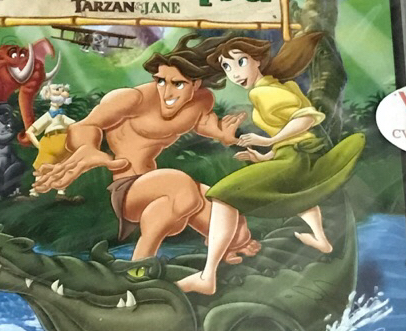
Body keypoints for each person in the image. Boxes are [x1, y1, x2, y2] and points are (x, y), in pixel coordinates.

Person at [31, 36, 260, 261]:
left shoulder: (201, 100)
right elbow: (85, 126)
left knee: (232, 223)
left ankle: (225, 250)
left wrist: (220, 134)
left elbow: (200, 121)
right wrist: (88, 148)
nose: (167, 93)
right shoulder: (133, 99)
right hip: (129, 188)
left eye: (177, 84)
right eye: (161, 81)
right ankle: (140, 261)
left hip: (163, 190)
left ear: (196, 84)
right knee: (181, 186)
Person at [175, 32, 366, 295]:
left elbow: (305, 119)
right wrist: (264, 156)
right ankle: (321, 239)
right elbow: (294, 133)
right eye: (227, 67)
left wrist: (269, 140)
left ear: (257, 60)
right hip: (295, 156)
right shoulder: (278, 85)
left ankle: (207, 277)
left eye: (240, 62)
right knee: (295, 192)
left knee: (222, 195)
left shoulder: (263, 92)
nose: (234, 73)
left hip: (296, 158)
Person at [26, 82, 77, 199]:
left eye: (63, 90)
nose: (62, 92)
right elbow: (30, 132)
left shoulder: (61, 116)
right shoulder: (48, 116)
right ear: (48, 94)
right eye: (58, 89)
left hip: (64, 145)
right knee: (42, 168)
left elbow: (75, 124)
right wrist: (39, 146)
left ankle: (61, 192)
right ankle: (35, 191)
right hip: (49, 145)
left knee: (63, 168)